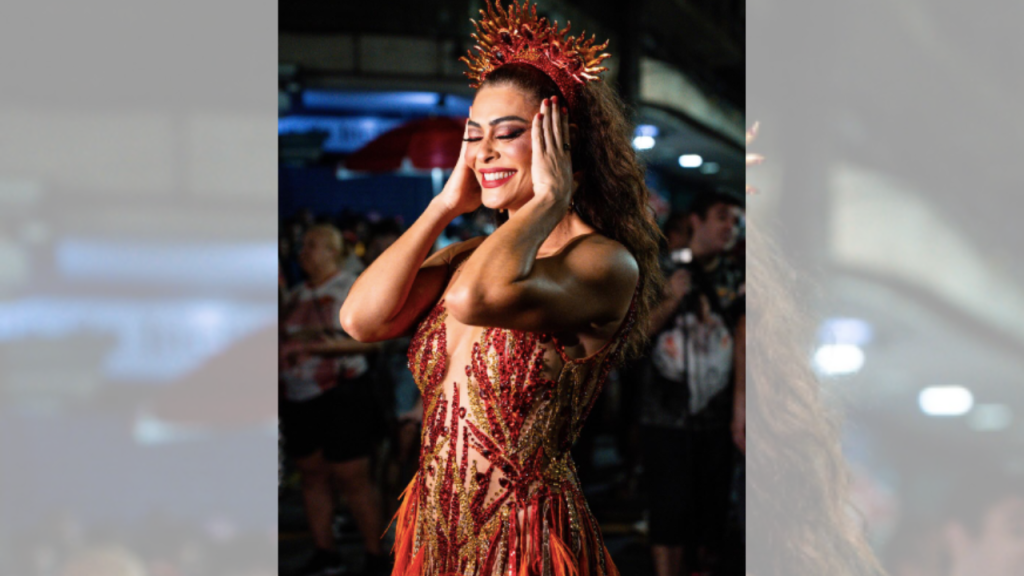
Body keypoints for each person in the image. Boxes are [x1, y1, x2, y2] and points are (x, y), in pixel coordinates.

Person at [340, 2, 662, 574]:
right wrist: (442, 206)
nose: (483, 152)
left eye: (508, 134)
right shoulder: (469, 254)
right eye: (473, 136)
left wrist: (545, 203)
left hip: (524, 542)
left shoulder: (603, 262)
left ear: (564, 148)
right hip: (436, 530)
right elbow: (361, 321)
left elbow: (475, 301)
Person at [639, 192, 744, 576]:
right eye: (722, 218)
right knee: (668, 512)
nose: (730, 228)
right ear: (696, 221)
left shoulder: (736, 279)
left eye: (735, 222)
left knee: (711, 517)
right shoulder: (660, 271)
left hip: (716, 420)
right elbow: (632, 339)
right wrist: (670, 299)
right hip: (665, 418)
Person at [280, 224, 388, 576]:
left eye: (312, 245)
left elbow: (375, 341)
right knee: (312, 476)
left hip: (342, 394)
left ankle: (375, 555)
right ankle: (326, 552)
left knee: (352, 478)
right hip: (300, 396)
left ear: (333, 251)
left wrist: (318, 347)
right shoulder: (295, 295)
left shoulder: (350, 288)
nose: (303, 251)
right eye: (303, 245)